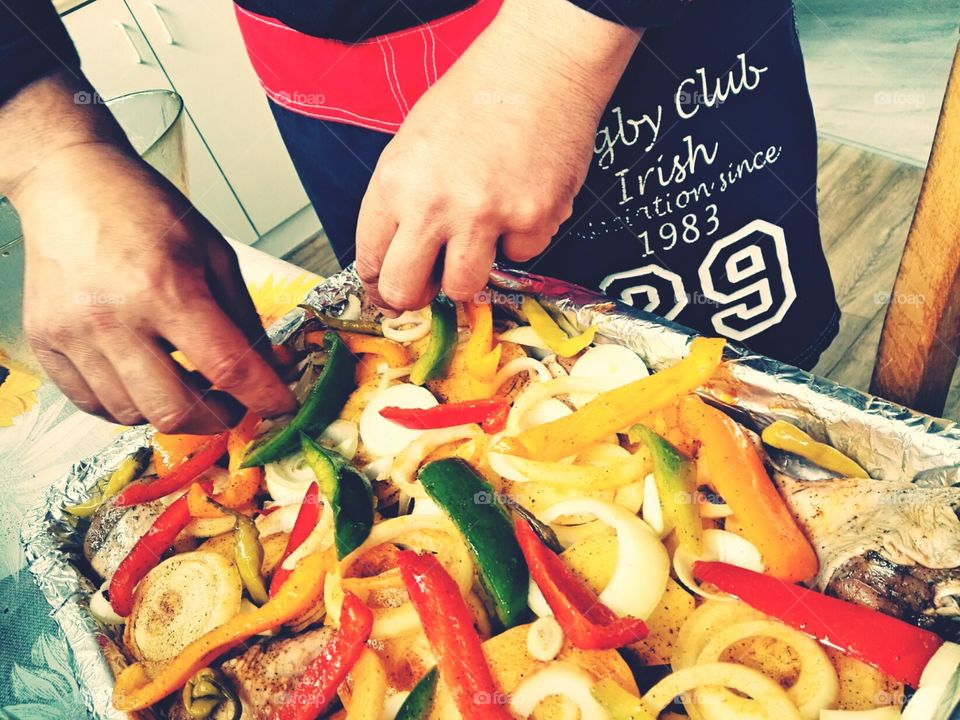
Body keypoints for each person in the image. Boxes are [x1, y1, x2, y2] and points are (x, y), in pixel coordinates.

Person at [0, 0, 839, 434]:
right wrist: (44, 149)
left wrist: (557, 44)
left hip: (627, 34)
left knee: (743, 373)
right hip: (332, 66)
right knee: (445, 351)